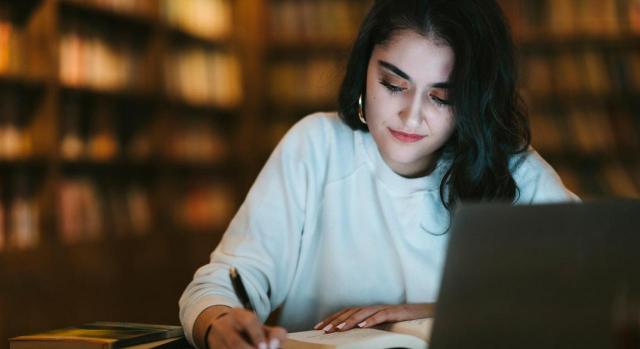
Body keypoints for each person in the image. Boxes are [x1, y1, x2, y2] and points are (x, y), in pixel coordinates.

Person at [179, 1, 579, 348]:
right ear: (364, 68)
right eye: (392, 84)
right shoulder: (317, 147)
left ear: (475, 100)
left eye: (442, 97)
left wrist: (425, 313)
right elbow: (220, 284)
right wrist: (219, 323)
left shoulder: (514, 172)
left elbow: (592, 294)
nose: (411, 115)